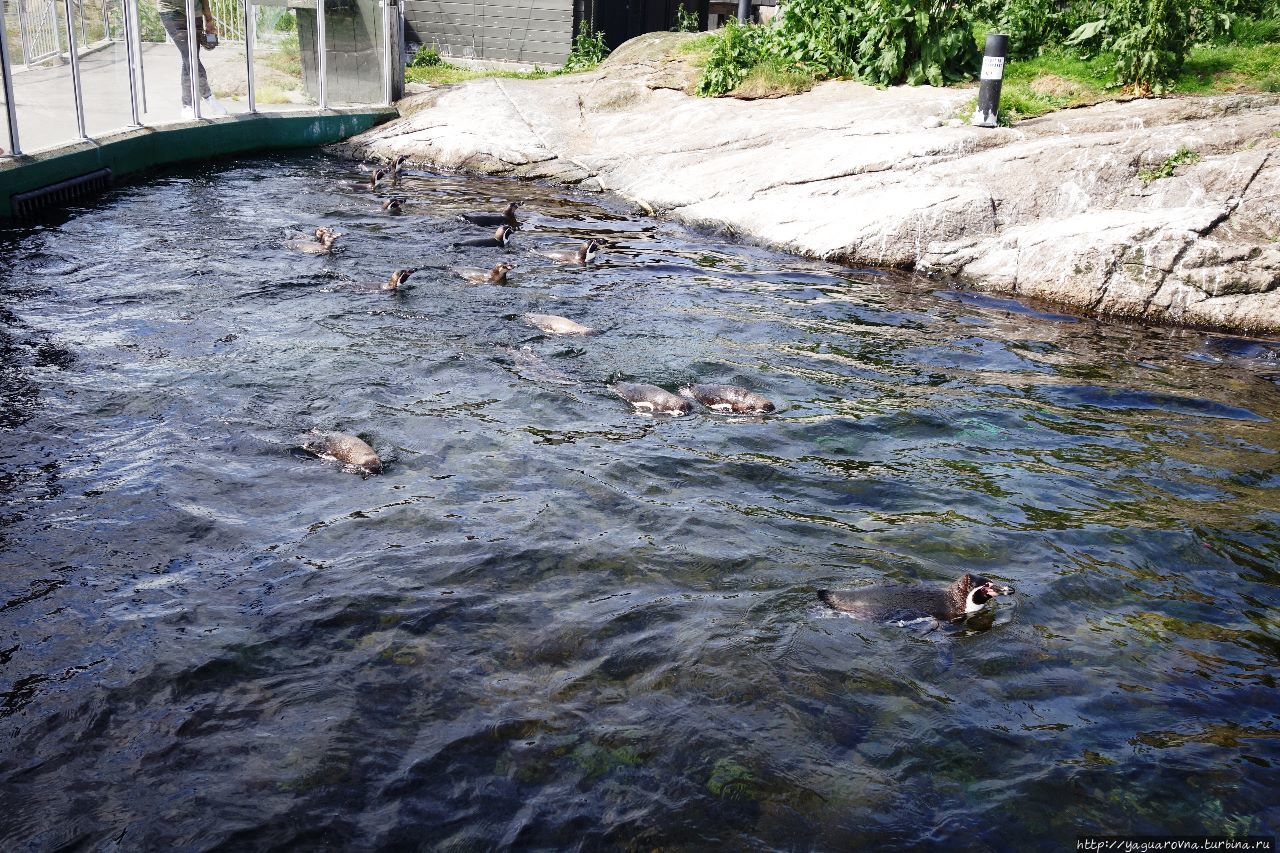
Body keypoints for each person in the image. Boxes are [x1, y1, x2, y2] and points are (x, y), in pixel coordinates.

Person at [157, 0, 228, 118]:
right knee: (190, 56)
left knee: (189, 59)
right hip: (172, 11)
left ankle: (187, 106)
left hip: (196, 12)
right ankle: (209, 98)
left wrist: (209, 19)